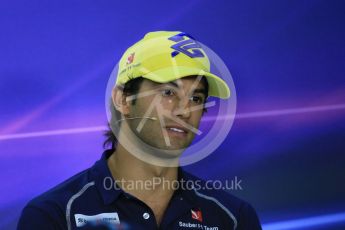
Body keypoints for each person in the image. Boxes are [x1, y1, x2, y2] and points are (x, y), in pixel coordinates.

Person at [17, 31, 262, 230]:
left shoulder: (233, 218)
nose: (184, 111)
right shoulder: (55, 215)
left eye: (196, 98)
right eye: (167, 92)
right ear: (123, 100)